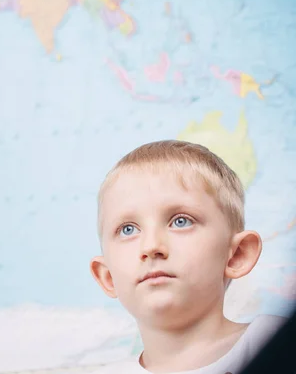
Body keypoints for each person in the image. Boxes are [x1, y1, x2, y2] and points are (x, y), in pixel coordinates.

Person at [90, 140, 286, 373]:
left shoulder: (279, 345)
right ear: (108, 277)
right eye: (128, 229)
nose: (151, 246)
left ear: (237, 255)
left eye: (180, 221)